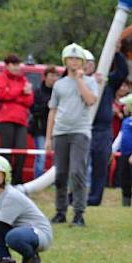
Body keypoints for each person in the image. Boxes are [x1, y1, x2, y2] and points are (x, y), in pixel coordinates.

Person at [46, 43, 98, 227]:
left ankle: (79, 213)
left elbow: (91, 100)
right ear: (65, 61)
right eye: (71, 58)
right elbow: (52, 110)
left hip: (80, 132)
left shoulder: (90, 81)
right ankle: (60, 211)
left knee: (78, 172)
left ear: (82, 62)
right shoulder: (59, 85)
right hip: (61, 132)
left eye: (77, 59)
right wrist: (48, 137)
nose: (74, 61)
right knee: (60, 174)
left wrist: (80, 80)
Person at [88, 50, 129, 207]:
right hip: (85, 126)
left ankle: (94, 198)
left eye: (92, 63)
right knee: (80, 165)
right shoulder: (78, 80)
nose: (89, 66)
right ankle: (75, 197)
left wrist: (116, 51)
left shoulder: (107, 81)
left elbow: (123, 72)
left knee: (100, 164)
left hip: (103, 129)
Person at [0, 54, 34, 184]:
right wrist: (21, 91)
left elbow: (29, 100)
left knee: (21, 150)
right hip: (5, 119)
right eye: (13, 64)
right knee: (6, 150)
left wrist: (13, 93)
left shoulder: (23, 79)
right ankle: (4, 179)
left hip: (21, 120)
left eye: (18, 64)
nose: (16, 67)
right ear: (7, 65)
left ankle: (16, 180)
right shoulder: (2, 77)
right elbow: (0, 94)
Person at [30, 66, 59, 180]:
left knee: (57, 158)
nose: (54, 78)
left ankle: (54, 181)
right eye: (51, 75)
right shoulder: (37, 92)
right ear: (45, 77)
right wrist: (47, 106)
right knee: (41, 157)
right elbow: (33, 109)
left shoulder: (59, 92)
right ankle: (38, 180)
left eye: (56, 76)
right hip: (40, 129)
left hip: (57, 129)